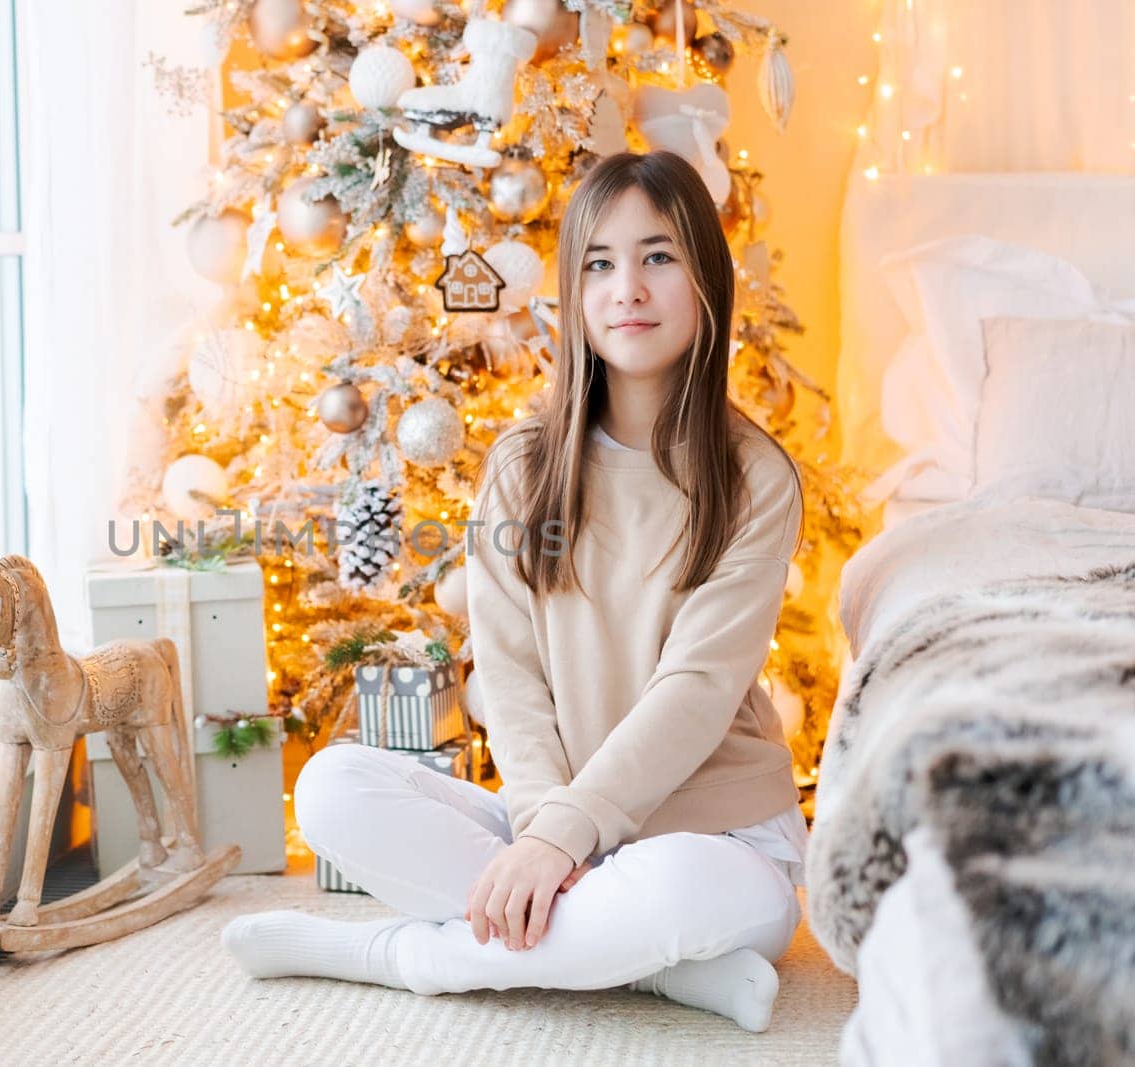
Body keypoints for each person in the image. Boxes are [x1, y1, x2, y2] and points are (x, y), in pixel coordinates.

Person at [221, 150, 808, 1034]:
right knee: (332, 787)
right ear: (573, 292)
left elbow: (695, 692)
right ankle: (659, 975)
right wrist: (543, 828)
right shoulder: (523, 467)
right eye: (600, 264)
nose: (628, 289)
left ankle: (395, 957)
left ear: (705, 279)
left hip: (721, 839)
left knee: (673, 891)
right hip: (561, 821)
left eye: (659, 256)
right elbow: (511, 675)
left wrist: (559, 839)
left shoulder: (756, 477)